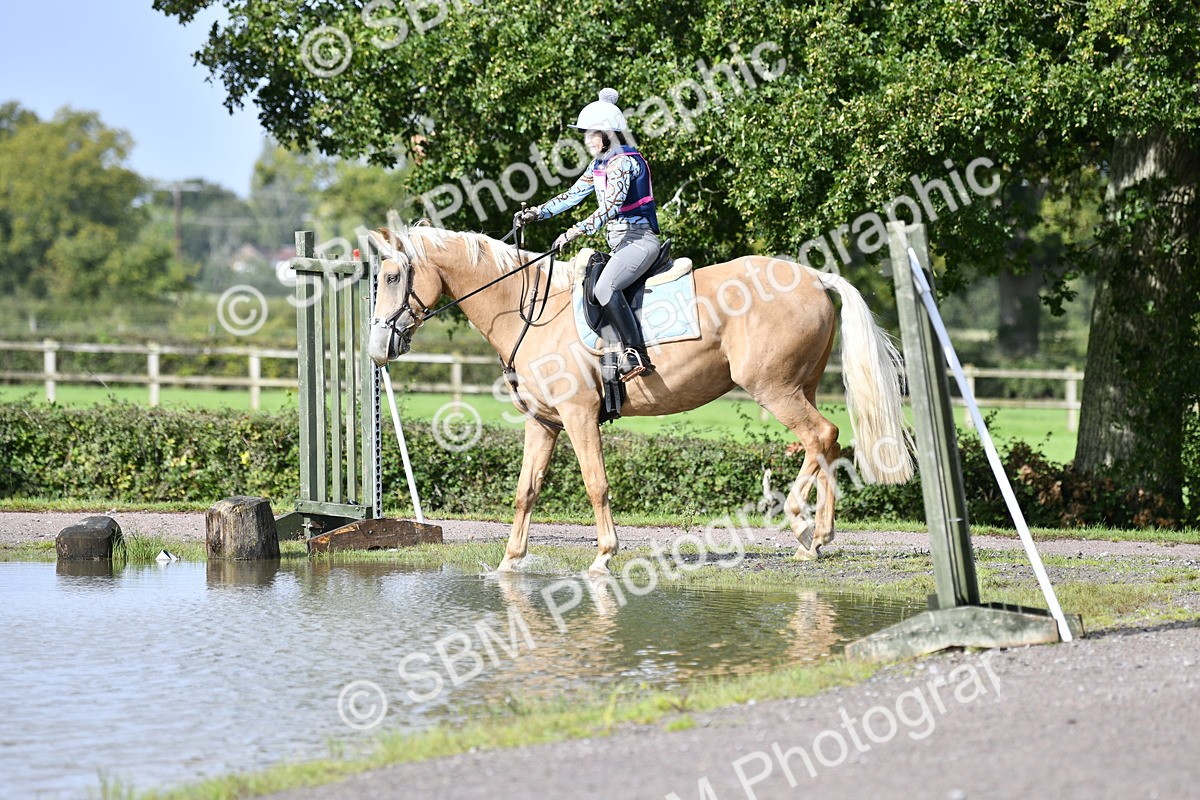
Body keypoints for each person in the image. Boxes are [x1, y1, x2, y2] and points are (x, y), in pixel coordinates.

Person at [517, 88, 660, 381]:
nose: (586, 140)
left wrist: (574, 231)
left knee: (605, 287)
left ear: (608, 133)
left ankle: (635, 354)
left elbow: (610, 207)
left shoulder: (623, 162)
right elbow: (572, 196)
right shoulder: (599, 164)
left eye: (592, 133)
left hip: (640, 240)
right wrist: (536, 213)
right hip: (621, 243)